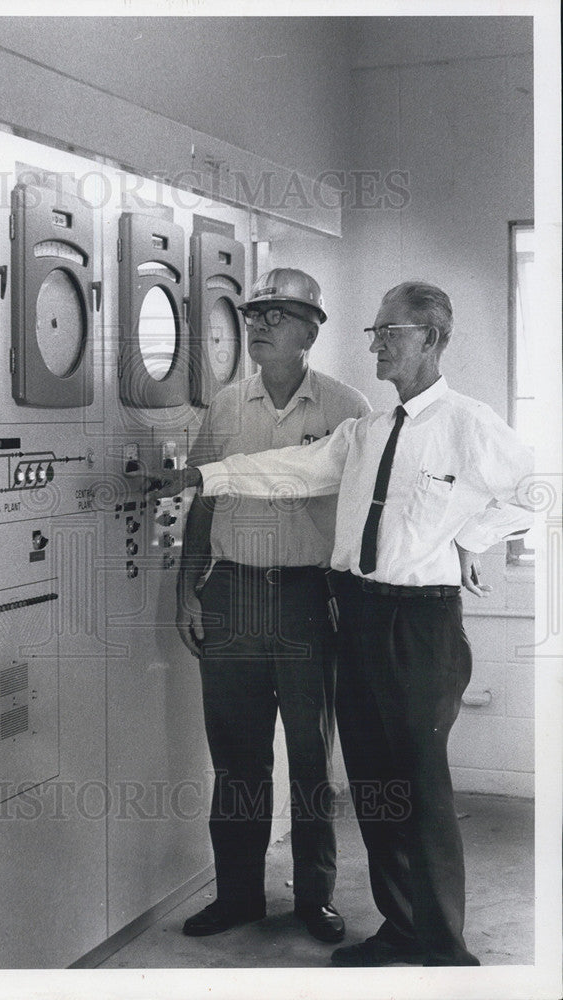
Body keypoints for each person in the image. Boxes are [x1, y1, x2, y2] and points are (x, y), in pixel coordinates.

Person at [147, 282, 533, 966]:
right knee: (376, 782)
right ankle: (400, 927)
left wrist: (475, 538)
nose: (378, 343)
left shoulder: (468, 423)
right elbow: (289, 470)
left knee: (420, 788)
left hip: (419, 622)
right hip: (357, 610)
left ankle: (445, 947)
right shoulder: (366, 432)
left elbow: (537, 491)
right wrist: (208, 478)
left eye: (393, 332)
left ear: (433, 340)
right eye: (375, 332)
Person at [176, 268, 371, 943]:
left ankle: (313, 896)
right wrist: (187, 591)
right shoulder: (227, 407)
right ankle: (238, 896)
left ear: (310, 331)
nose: (257, 325)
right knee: (236, 759)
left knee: (312, 759)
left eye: (276, 315)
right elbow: (204, 501)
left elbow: (364, 517)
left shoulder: (348, 411)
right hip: (230, 595)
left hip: (307, 600)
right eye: (254, 313)